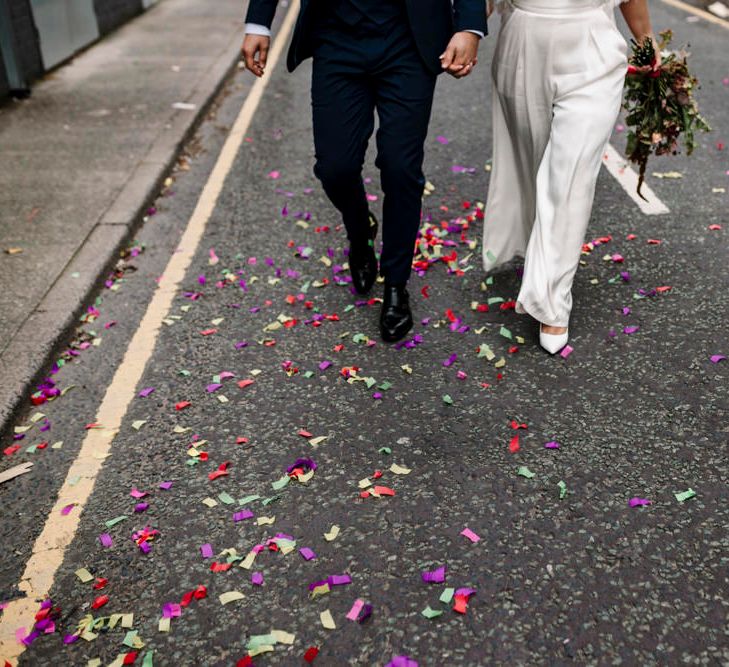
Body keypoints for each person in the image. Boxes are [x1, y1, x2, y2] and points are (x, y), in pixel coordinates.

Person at [242, 0, 487, 342]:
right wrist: (258, 23)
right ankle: (360, 232)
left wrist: (469, 25)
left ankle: (397, 284)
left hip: (408, 42)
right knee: (335, 168)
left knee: (401, 168)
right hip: (336, 41)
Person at [481, 0, 657, 353]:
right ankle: (530, 243)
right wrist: (458, 30)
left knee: (570, 177)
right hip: (524, 44)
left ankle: (552, 301)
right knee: (534, 166)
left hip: (593, 49)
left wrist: (647, 41)